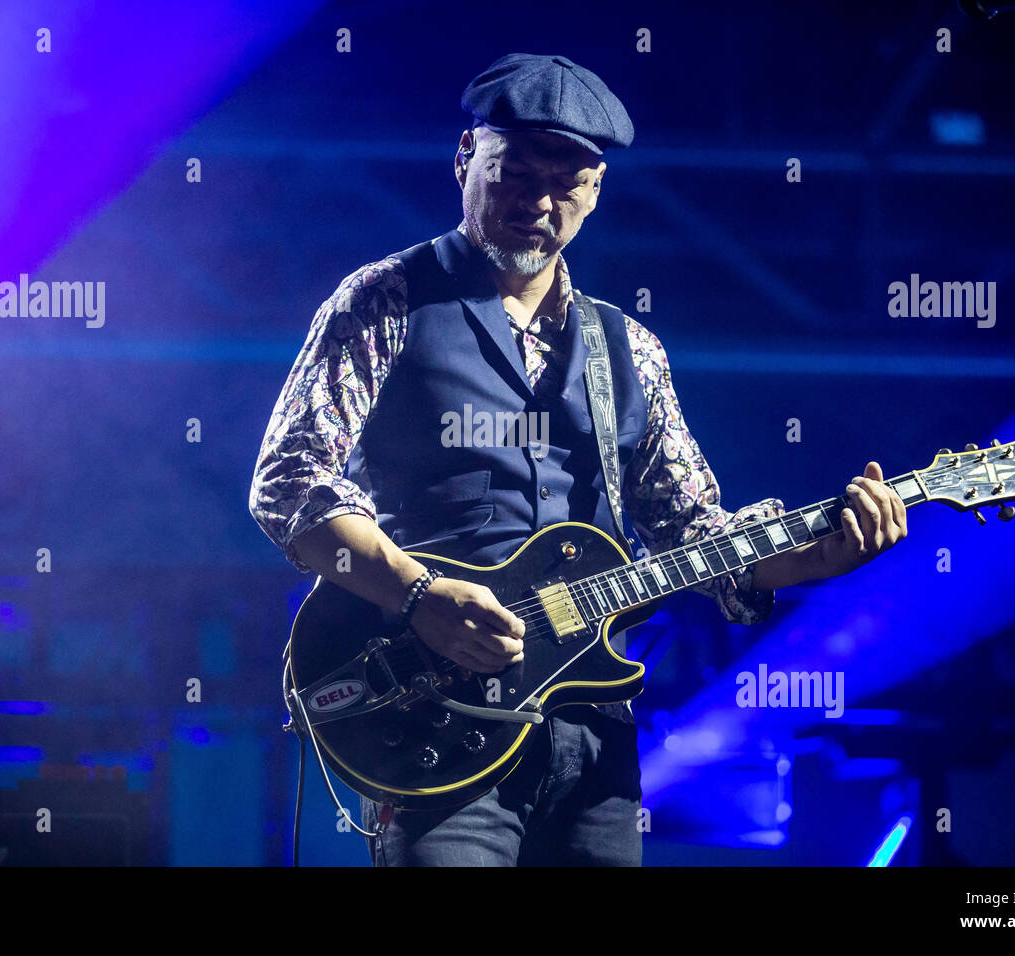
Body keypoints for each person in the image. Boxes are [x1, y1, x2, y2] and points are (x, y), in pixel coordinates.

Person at [249, 53, 908, 866]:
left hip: (591, 738)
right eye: (514, 173)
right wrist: (419, 595)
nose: (538, 202)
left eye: (568, 183)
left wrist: (819, 556)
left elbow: (692, 534)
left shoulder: (627, 348)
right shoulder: (385, 300)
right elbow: (289, 479)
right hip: (434, 718)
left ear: (596, 190)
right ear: (465, 159)